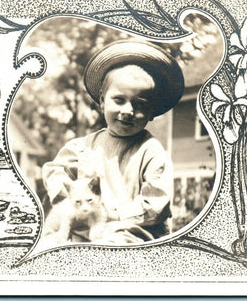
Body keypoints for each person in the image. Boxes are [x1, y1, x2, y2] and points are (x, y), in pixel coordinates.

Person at [42, 40, 184, 244]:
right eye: (119, 100)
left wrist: (114, 214)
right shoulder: (84, 146)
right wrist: (68, 197)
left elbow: (155, 204)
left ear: (151, 112)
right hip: (87, 226)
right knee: (46, 244)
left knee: (110, 246)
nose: (127, 110)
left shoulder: (151, 152)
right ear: (102, 101)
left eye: (139, 104)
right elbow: (54, 170)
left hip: (133, 231)